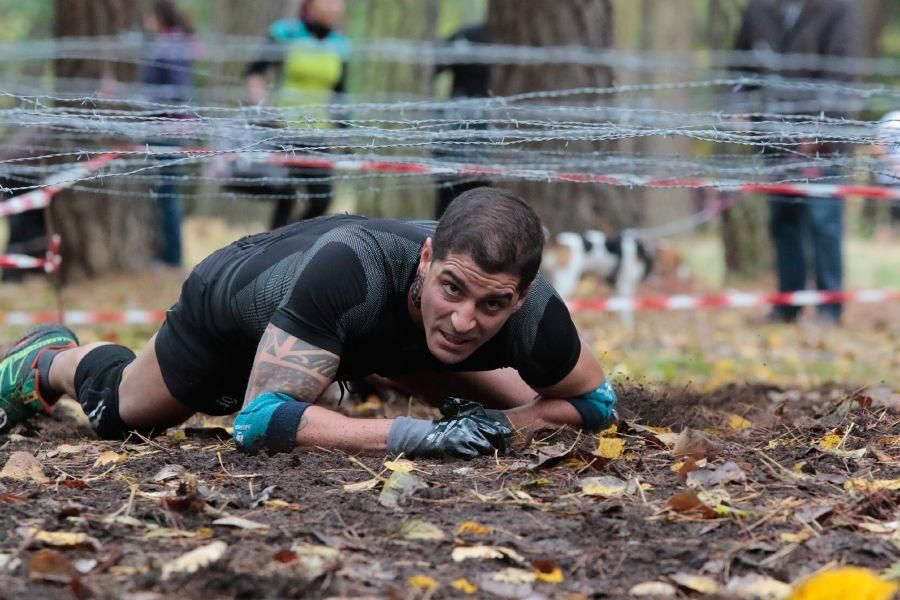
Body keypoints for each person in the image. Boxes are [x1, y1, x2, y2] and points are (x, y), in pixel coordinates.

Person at [0, 187, 616, 459]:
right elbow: (259, 420)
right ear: (427, 259)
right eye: (452, 288)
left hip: (371, 333)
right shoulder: (353, 272)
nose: (463, 319)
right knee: (123, 415)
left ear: (523, 295)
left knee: (491, 404)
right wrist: (421, 438)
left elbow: (595, 402)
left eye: (491, 305)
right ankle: (51, 361)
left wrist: (503, 427)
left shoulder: (533, 311)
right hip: (234, 307)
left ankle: (370, 371)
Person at [733, 0, 862, 324]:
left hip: (824, 144)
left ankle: (829, 309)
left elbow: (840, 74)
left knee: (823, 222)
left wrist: (817, 131)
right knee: (784, 220)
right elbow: (738, 68)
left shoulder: (836, 11)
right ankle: (787, 305)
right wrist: (737, 108)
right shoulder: (758, 10)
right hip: (772, 139)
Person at [242, 0, 348, 230]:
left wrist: (345, 133)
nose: (336, 7)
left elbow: (340, 95)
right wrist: (265, 112)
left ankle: (288, 240)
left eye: (340, 3)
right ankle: (270, 250)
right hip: (283, 130)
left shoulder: (340, 45)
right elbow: (254, 73)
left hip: (317, 137)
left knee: (322, 199)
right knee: (286, 195)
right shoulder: (285, 33)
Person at [140, 0, 197, 267]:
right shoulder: (170, 43)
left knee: (167, 191)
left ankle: (171, 257)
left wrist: (145, 104)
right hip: (162, 125)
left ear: (159, 16)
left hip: (167, 127)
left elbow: (175, 91)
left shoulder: (171, 45)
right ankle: (164, 253)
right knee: (163, 190)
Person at [432, 23, 492, 218]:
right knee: (450, 193)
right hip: (456, 131)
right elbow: (434, 66)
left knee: (479, 199)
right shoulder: (465, 36)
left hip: (486, 135)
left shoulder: (469, 36)